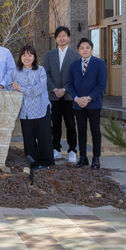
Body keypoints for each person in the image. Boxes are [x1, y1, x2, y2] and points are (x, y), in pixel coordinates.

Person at [9, 45, 53, 170]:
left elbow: (38, 89)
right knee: (29, 138)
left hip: (41, 108)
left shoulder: (41, 70)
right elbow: (9, 86)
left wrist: (21, 88)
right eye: (24, 55)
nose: (27, 58)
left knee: (44, 137)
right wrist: (14, 88)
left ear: (34, 57)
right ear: (20, 57)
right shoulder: (15, 72)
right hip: (25, 110)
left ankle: (46, 163)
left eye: (30, 55)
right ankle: (32, 163)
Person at [68, 37, 108, 170]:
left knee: (95, 130)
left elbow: (101, 85)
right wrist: (76, 99)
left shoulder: (100, 64)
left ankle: (96, 158)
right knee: (81, 131)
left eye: (87, 48)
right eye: (82, 48)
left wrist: (89, 98)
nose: (85, 50)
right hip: (78, 104)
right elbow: (70, 84)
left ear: (91, 49)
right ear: (78, 50)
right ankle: (83, 157)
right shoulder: (73, 65)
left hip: (93, 104)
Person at [44, 26, 80, 163]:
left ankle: (72, 150)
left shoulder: (75, 55)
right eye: (59, 36)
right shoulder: (49, 55)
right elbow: (45, 73)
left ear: (68, 38)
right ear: (56, 39)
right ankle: (56, 149)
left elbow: (76, 76)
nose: (62, 38)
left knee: (71, 124)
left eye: (64, 35)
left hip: (69, 96)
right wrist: (54, 89)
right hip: (54, 96)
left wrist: (64, 90)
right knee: (55, 123)